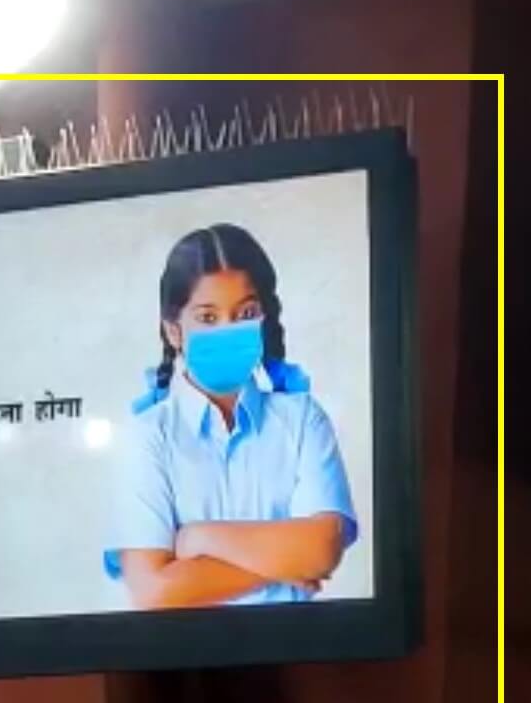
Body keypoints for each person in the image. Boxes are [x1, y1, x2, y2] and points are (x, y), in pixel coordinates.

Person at [106, 224, 358, 609]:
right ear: (174, 332)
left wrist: (196, 539)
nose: (229, 329)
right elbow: (153, 592)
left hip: (300, 658)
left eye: (246, 312)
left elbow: (322, 550)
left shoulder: (302, 418)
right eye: (208, 318)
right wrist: (285, 559)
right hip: (182, 665)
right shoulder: (147, 436)